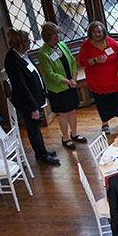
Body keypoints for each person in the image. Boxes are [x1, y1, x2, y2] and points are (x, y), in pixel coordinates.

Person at [4, 29, 59, 166]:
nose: (30, 43)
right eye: (27, 41)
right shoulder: (12, 60)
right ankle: (41, 155)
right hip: (27, 102)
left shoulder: (23, 55)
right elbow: (21, 86)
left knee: (36, 128)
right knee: (33, 130)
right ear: (20, 44)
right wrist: (33, 107)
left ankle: (43, 151)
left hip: (35, 97)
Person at [37, 22, 85, 150]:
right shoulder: (43, 53)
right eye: (55, 35)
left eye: (58, 33)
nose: (58, 36)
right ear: (48, 37)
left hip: (71, 84)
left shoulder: (62, 45)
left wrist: (74, 78)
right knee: (64, 113)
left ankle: (74, 134)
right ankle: (66, 138)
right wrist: (67, 81)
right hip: (58, 88)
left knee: (73, 110)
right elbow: (50, 74)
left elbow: (73, 61)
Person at [78, 21, 118, 135]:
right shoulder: (86, 46)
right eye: (94, 32)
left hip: (114, 79)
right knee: (102, 103)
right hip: (97, 82)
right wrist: (95, 60)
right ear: (90, 33)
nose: (97, 34)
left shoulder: (110, 42)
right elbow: (82, 61)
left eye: (99, 31)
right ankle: (105, 123)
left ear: (103, 31)